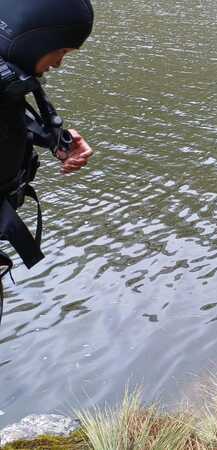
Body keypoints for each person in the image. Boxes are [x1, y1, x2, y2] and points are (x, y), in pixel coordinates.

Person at [0, 0, 95, 324]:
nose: (59, 64)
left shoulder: (6, 80)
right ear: (33, 38)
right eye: (63, 51)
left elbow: (9, 121)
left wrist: (56, 139)